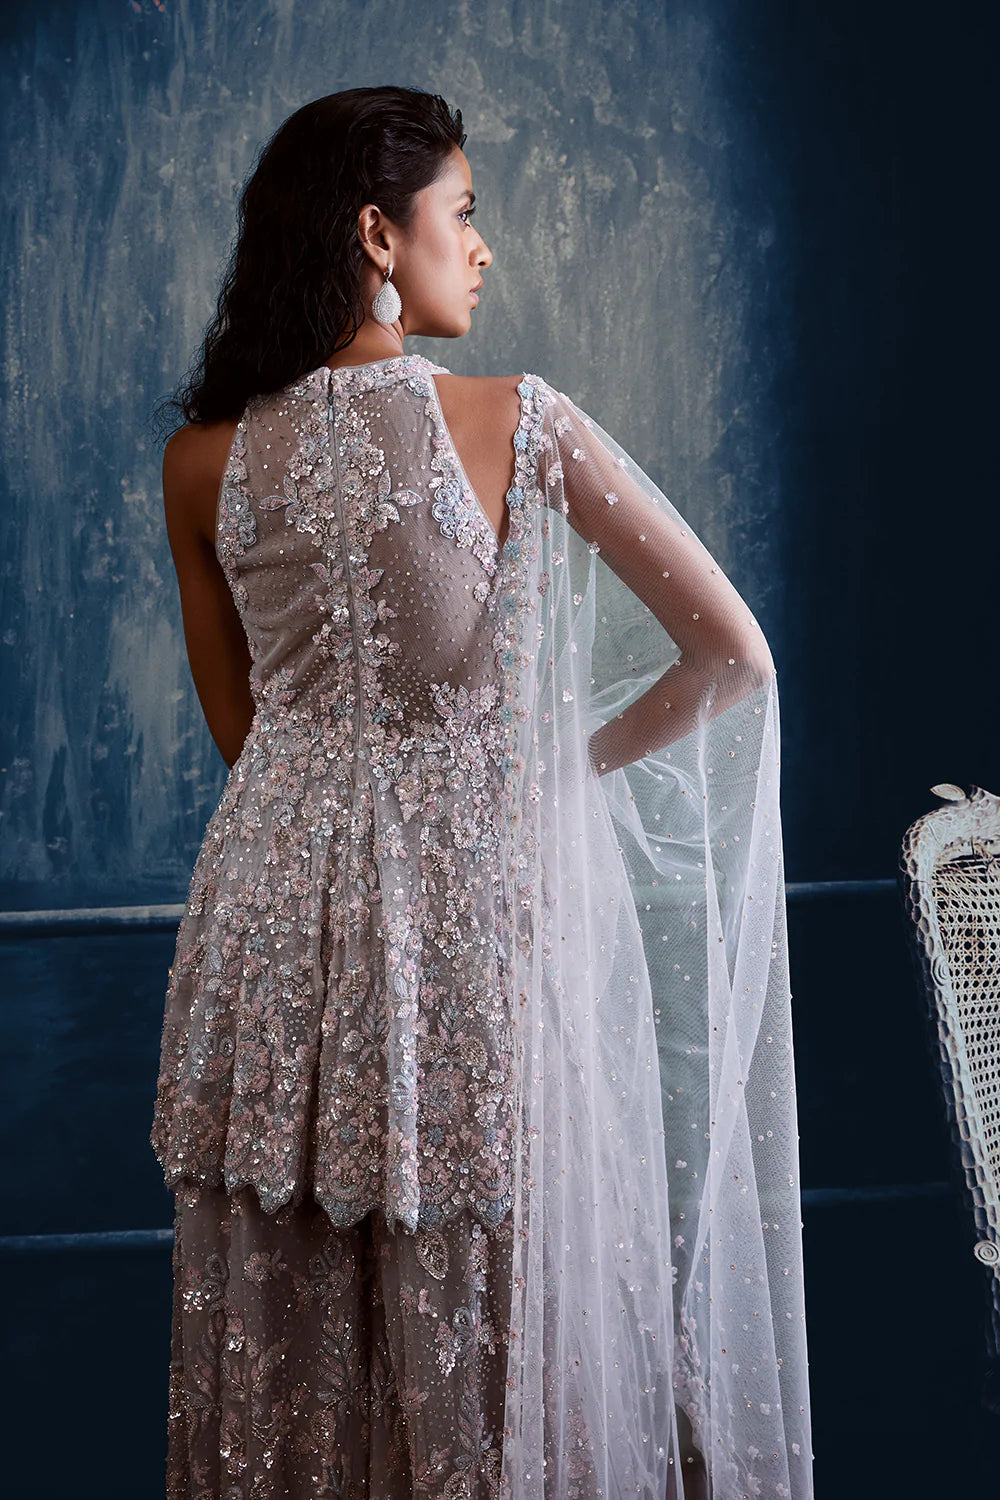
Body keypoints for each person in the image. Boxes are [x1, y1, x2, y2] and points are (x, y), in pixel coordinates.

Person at [151, 85, 813, 1500]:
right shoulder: (517, 421)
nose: (484, 244)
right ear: (377, 236)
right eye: (465, 211)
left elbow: (244, 739)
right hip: (460, 928)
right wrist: (541, 773)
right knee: (484, 1331)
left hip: (265, 939)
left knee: (283, 1339)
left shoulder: (203, 463)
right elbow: (733, 656)